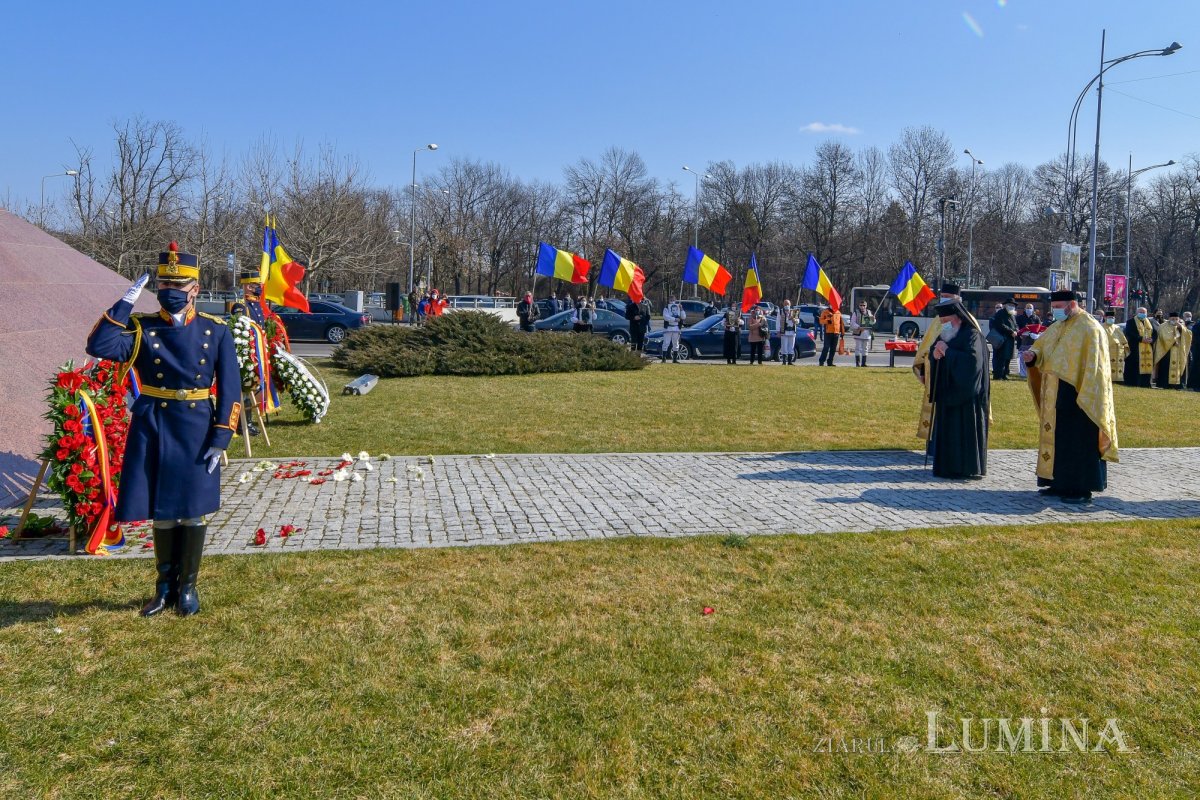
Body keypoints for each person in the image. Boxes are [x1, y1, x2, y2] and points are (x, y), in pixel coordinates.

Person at [85, 242, 240, 616]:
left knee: (192, 510)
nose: (171, 292)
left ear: (195, 290)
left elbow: (231, 388)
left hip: (196, 427)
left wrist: (221, 436)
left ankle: (188, 588)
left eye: (179, 286)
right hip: (154, 423)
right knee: (164, 511)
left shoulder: (215, 331)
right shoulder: (142, 328)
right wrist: (125, 302)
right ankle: (163, 587)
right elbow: (99, 345)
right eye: (164, 285)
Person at [1022, 290, 1118, 505]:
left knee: (1078, 442)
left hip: (1080, 396)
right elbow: (1043, 348)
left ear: (1072, 304)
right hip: (1056, 394)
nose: (1055, 311)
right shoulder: (1057, 326)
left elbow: (1095, 367)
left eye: (1058, 306)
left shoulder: (1090, 328)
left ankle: (1080, 488)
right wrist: (1033, 356)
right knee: (1059, 440)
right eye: (1053, 307)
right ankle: (1058, 482)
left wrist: (1082, 391)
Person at [927, 300, 989, 479]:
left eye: (945, 320)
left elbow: (972, 363)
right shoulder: (946, 332)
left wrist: (947, 352)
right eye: (941, 320)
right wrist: (935, 354)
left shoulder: (972, 335)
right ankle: (946, 467)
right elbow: (936, 350)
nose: (943, 324)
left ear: (957, 318)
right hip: (948, 391)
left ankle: (966, 468)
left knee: (964, 432)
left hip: (968, 396)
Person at [913, 283, 983, 438]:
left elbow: (973, 358)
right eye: (942, 297)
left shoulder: (969, 324)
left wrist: (947, 352)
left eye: (948, 298)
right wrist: (926, 366)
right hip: (939, 377)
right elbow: (929, 347)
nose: (944, 300)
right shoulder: (938, 319)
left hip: (960, 385)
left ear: (958, 299)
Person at [1153, 312, 1191, 389]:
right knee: (1165, 367)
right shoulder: (1163, 326)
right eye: (1173, 319)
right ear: (1169, 319)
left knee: (1179, 366)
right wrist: (1172, 342)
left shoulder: (1181, 326)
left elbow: (1189, 335)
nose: (1175, 320)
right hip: (1166, 351)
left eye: (1176, 319)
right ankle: (1164, 384)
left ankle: (1177, 385)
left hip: (1178, 351)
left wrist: (1181, 328)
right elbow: (1162, 337)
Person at [1122, 306, 1157, 388]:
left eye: (1144, 312)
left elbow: (1155, 333)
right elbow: (1129, 333)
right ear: (1137, 313)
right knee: (1134, 366)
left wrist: (1152, 340)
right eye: (1140, 312)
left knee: (1146, 365)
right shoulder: (1131, 322)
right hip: (1135, 348)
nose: (1142, 314)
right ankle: (1133, 382)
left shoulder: (1149, 322)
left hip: (1147, 347)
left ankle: (1145, 383)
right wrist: (1141, 339)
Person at [989, 299, 1019, 380]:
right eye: (1010, 305)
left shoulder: (1012, 315)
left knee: (1007, 358)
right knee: (1000, 358)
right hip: (1002, 339)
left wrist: (1016, 330)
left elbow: (1015, 325)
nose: (1012, 307)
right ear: (1005, 305)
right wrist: (1011, 331)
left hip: (1010, 339)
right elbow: (1000, 325)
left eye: (1013, 305)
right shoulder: (1000, 313)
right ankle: (998, 375)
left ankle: (1004, 374)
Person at [1099, 311, 1128, 382]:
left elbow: (1123, 339)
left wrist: (1125, 347)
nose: (1111, 319)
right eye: (1109, 317)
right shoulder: (1101, 327)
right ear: (1105, 318)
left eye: (1112, 317)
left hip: (1118, 350)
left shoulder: (1117, 327)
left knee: (1119, 366)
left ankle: (1118, 379)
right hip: (1108, 350)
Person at [850, 300, 875, 368]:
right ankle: (857, 363)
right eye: (861, 305)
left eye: (864, 305)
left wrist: (873, 319)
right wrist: (858, 327)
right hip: (858, 333)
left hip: (867, 333)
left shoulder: (869, 312)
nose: (862, 307)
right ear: (859, 306)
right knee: (858, 348)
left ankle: (864, 363)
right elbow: (852, 323)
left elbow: (872, 322)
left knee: (865, 348)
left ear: (866, 306)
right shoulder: (856, 312)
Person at [661, 297, 685, 362]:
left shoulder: (678, 308)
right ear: (668, 300)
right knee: (666, 343)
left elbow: (683, 317)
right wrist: (674, 319)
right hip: (668, 328)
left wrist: (681, 308)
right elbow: (666, 317)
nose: (672, 301)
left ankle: (675, 359)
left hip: (676, 328)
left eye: (673, 300)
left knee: (676, 343)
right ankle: (664, 359)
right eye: (671, 300)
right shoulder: (666, 308)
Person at [776, 300, 800, 365]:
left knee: (791, 346)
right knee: (784, 346)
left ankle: (789, 361)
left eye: (788, 304)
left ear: (790, 304)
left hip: (792, 331)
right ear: (783, 304)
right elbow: (778, 322)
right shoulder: (781, 312)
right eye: (785, 304)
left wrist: (794, 319)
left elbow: (798, 321)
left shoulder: (794, 311)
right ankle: (784, 361)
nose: (787, 305)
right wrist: (778, 331)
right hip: (784, 331)